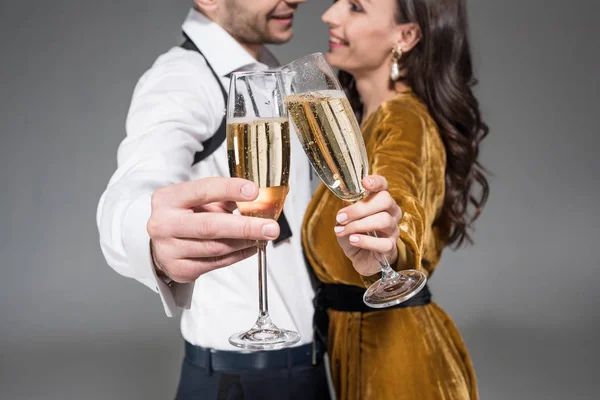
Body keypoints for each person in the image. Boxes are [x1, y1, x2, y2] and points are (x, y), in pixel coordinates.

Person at [97, 1, 331, 399]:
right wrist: (148, 237)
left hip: (305, 368)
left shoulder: (267, 72)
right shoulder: (183, 77)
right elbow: (133, 186)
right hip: (240, 381)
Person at [302, 0, 490, 399]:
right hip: (365, 362)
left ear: (406, 36)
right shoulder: (364, 122)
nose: (330, 15)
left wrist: (391, 239)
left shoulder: (404, 121)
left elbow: (399, 197)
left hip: (402, 372)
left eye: (355, 7)